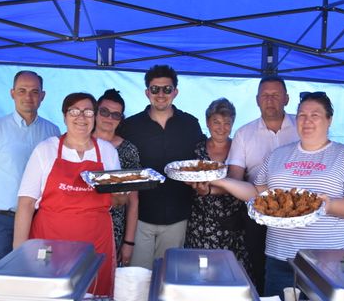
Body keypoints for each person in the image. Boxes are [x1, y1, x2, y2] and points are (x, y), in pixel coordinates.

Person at [208, 91, 344, 298]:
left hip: (332, 259)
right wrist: (218, 180)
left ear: (329, 120)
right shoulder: (278, 155)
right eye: (302, 115)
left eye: (315, 115)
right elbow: (258, 193)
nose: (307, 121)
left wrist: (328, 206)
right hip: (281, 258)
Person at [13, 93, 128, 297]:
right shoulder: (46, 150)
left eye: (88, 112)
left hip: (96, 241)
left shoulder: (107, 151)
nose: (81, 117)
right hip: (49, 241)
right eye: (74, 111)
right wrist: (18, 255)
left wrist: (121, 192)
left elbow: (119, 200)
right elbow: (26, 204)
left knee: (93, 292)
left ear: (94, 117)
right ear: (65, 116)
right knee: (49, 293)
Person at [118, 64, 205, 269]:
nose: (161, 94)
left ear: (175, 92)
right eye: (155, 89)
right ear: (147, 92)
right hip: (139, 217)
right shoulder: (130, 126)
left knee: (167, 278)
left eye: (167, 89)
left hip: (177, 215)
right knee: (138, 279)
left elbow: (201, 161)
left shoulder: (190, 124)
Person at [0, 70, 60, 265]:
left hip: (40, 219)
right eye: (22, 90)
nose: (28, 97)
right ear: (12, 93)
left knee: (40, 271)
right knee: (3, 276)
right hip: (3, 220)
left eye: (34, 91)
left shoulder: (52, 131)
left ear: (42, 96)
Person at [226, 75, 299, 293]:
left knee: (298, 266)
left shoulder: (302, 125)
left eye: (275, 95)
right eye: (265, 96)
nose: (270, 100)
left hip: (296, 211)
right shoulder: (244, 133)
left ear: (286, 98)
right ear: (257, 100)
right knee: (259, 265)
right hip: (257, 208)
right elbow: (235, 175)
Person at [184, 98, 250, 272]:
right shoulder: (196, 150)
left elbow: (239, 181)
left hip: (232, 225)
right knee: (200, 273)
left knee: (231, 273)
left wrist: (208, 190)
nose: (222, 127)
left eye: (227, 123)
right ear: (207, 122)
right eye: (216, 122)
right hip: (201, 224)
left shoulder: (240, 147)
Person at [93, 88, 141, 266]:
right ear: (96, 112)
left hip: (114, 229)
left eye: (115, 115)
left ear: (121, 119)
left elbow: (133, 200)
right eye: (104, 112)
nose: (109, 118)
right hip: (81, 223)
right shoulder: (80, 143)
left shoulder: (128, 150)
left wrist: (129, 242)